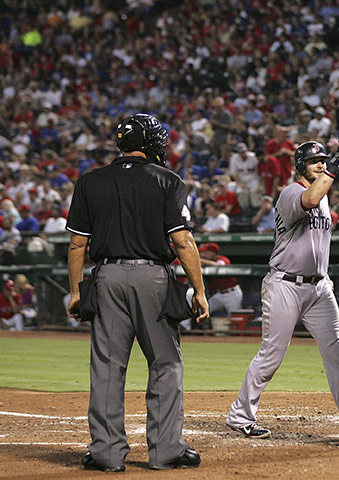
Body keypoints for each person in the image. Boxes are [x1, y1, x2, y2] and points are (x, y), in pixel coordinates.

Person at [66, 113, 210, 472]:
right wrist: (199, 290)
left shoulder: (89, 181)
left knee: (107, 367)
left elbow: (75, 246)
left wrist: (75, 292)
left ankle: (106, 453)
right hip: (153, 279)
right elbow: (182, 240)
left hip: (107, 277)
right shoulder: (168, 180)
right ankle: (166, 451)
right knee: (165, 363)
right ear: (150, 143)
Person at [226, 140, 339, 441]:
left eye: (323, 160)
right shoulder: (290, 192)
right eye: (314, 161)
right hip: (285, 286)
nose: (321, 164)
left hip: (319, 289)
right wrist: (336, 170)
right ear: (300, 165)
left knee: (337, 356)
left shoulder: (324, 194)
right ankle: (240, 415)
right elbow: (311, 199)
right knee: (272, 355)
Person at [198, 242, 243, 322]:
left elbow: (219, 265)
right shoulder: (205, 262)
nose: (203, 254)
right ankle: (204, 330)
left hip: (232, 294)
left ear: (213, 252)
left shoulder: (223, 259)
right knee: (203, 309)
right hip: (220, 294)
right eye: (202, 252)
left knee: (235, 319)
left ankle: (235, 334)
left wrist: (200, 260)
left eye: (206, 252)